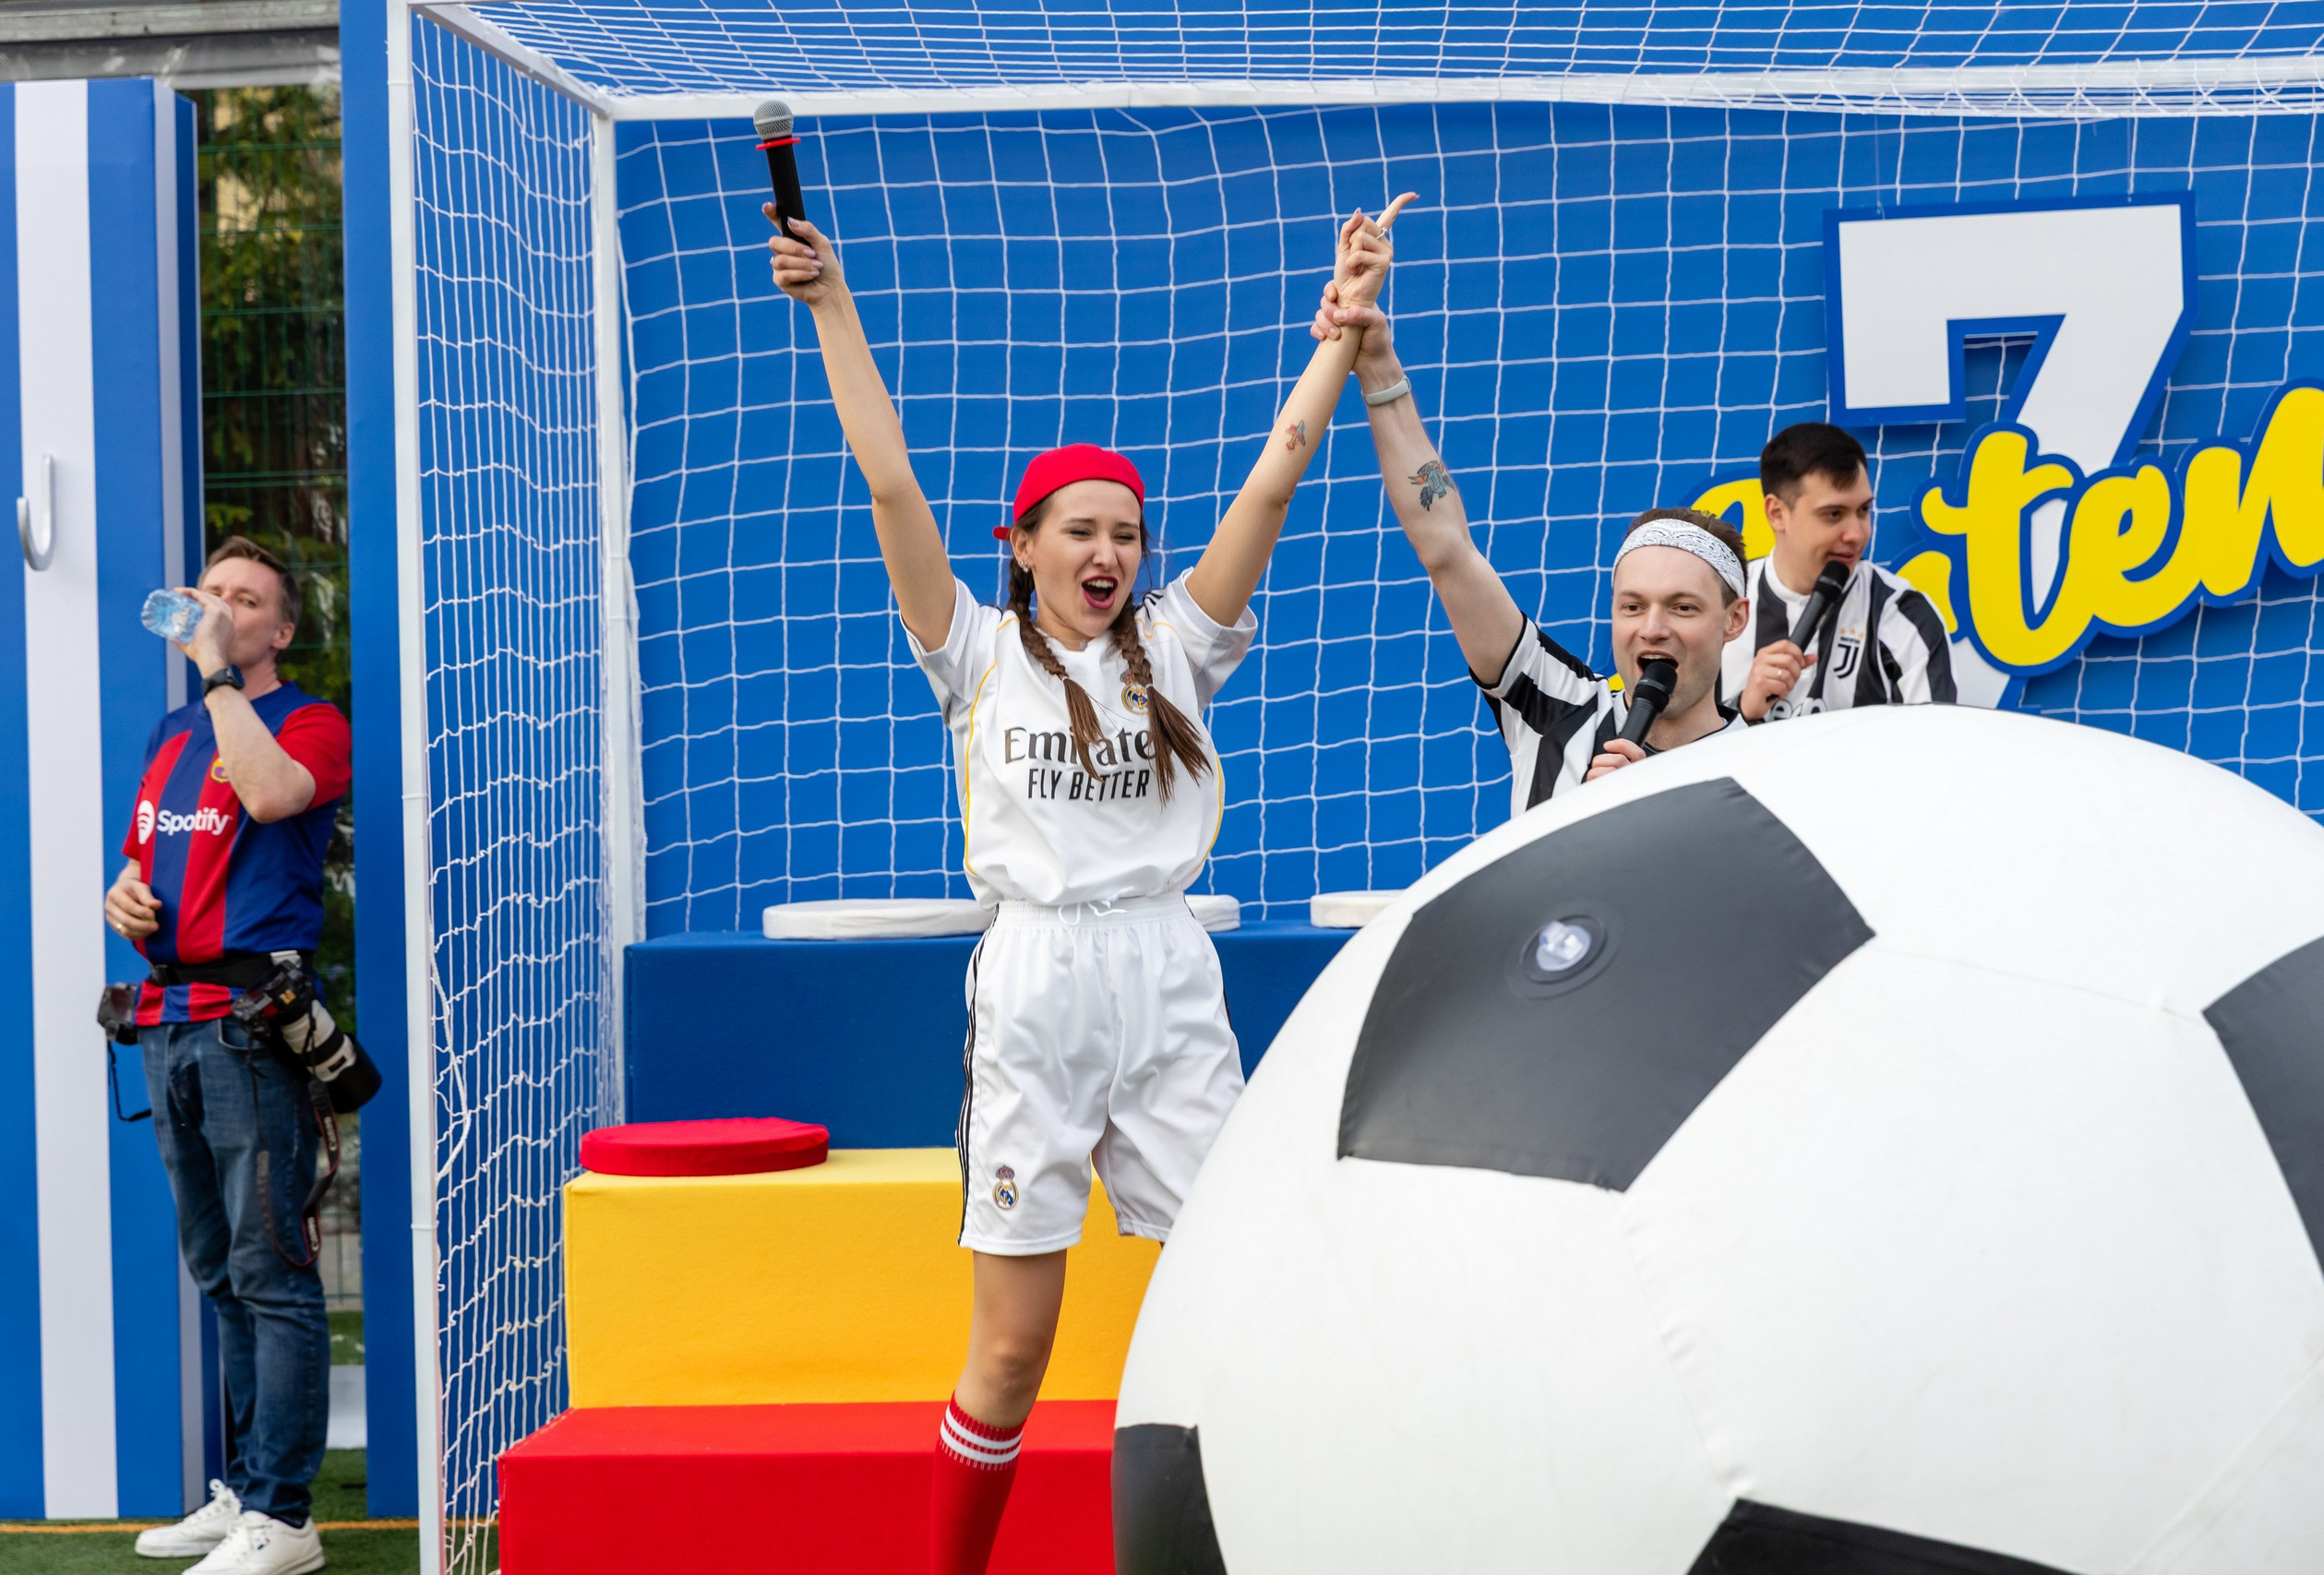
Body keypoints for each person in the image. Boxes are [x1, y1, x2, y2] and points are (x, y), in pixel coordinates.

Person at [768, 193, 1412, 1575]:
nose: (1107, 550)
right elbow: (890, 484)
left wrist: (1341, 319)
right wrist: (831, 308)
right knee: (1011, 1347)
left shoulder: (1181, 643)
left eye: (1124, 528)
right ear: (1026, 545)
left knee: (1237, 1297)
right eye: (1079, 529)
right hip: (1038, 984)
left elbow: (1275, 477)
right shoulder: (973, 649)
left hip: (1170, 975)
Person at [106, 537, 350, 1575]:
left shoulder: (306, 721)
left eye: (243, 601)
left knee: (271, 1266)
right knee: (218, 1269)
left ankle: (285, 1519)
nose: (217, 609)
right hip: (168, 1025)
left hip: (252, 1026)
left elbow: (269, 798)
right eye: (209, 593)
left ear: (279, 632)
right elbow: (146, 856)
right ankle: (251, 1489)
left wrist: (216, 674)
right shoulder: (170, 733)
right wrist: (117, 897)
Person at [1312, 294, 1748, 807]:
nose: (1652, 628)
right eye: (1632, 606)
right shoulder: (1557, 702)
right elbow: (1447, 550)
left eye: (1682, 607)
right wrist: (1379, 366)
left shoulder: (1769, 764)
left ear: (1734, 620)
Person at [1725, 421, 1956, 722]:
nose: (1857, 534)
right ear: (1777, 514)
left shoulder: (1906, 615)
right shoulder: (1721, 606)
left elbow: (1937, 749)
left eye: (1863, 510)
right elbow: (1676, 756)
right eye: (1834, 514)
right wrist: (1743, 710)